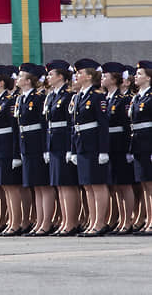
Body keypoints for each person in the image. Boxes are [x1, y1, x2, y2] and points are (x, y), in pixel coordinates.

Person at [70, 58, 111, 236]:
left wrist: (103, 150)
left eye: (79, 73)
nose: (76, 76)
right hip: (81, 145)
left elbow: (103, 125)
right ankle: (92, 222)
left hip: (94, 144)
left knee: (97, 184)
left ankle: (100, 223)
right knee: (87, 185)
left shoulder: (97, 96)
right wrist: (73, 149)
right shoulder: (78, 96)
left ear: (88, 77)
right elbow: (74, 125)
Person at [15, 63, 54, 236]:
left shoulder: (38, 98)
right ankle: (39, 222)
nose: (17, 78)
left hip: (38, 145)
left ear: (29, 80)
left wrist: (46, 148)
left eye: (21, 76)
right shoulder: (21, 98)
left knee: (43, 186)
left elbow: (45, 125)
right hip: (27, 145)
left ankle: (46, 223)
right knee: (35, 187)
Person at [44, 59, 80, 236]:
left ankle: (71, 222)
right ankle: (65, 221)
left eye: (51, 74)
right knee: (59, 185)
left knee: (67, 185)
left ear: (61, 77)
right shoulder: (51, 95)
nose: (48, 77)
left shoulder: (68, 95)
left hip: (64, 143)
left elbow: (69, 124)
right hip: (53, 143)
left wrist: (69, 148)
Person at [0, 65, 23, 236]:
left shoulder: (9, 101)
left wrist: (16, 153)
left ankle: (16, 223)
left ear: (1, 83)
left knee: (11, 187)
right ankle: (11, 221)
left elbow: (14, 129)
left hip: (7, 147)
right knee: (5, 187)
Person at [101, 62, 134, 234]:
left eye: (106, 76)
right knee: (114, 186)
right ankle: (120, 220)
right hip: (109, 144)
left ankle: (128, 221)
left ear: (114, 79)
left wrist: (129, 149)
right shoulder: (105, 98)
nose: (103, 78)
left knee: (124, 184)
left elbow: (127, 126)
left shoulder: (124, 99)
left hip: (120, 144)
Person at [130, 60, 152, 235]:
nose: (136, 77)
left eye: (140, 74)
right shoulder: (137, 96)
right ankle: (148, 219)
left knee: (151, 185)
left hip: (148, 143)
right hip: (138, 143)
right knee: (144, 184)